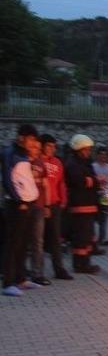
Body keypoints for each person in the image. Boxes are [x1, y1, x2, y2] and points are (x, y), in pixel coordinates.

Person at [2, 124, 42, 296]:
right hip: (17, 205)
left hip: (29, 203)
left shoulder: (23, 155)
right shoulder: (9, 153)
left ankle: (21, 279)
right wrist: (19, 201)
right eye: (31, 139)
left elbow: (23, 178)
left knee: (23, 243)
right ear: (21, 137)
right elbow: (7, 180)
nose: (33, 143)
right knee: (13, 243)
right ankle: (8, 283)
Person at [64, 134, 101, 274]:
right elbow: (80, 181)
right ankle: (79, 265)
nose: (88, 152)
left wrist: (92, 181)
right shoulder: (72, 164)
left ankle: (86, 262)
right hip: (79, 206)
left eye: (89, 149)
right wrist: (94, 181)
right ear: (78, 149)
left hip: (88, 205)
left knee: (88, 236)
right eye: (86, 149)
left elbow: (91, 180)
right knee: (80, 237)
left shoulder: (85, 164)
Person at [40, 135, 73, 280]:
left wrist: (63, 199)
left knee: (56, 238)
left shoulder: (57, 162)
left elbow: (61, 183)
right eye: (49, 146)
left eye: (54, 146)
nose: (52, 149)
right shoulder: (37, 161)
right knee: (38, 239)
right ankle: (38, 272)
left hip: (55, 204)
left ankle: (59, 269)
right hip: (39, 204)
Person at [28, 136, 50, 286]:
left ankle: (37, 273)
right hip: (25, 206)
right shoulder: (21, 161)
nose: (36, 151)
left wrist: (47, 205)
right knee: (21, 241)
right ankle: (19, 271)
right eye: (33, 147)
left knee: (38, 241)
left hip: (39, 206)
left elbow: (46, 185)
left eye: (38, 148)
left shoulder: (40, 163)